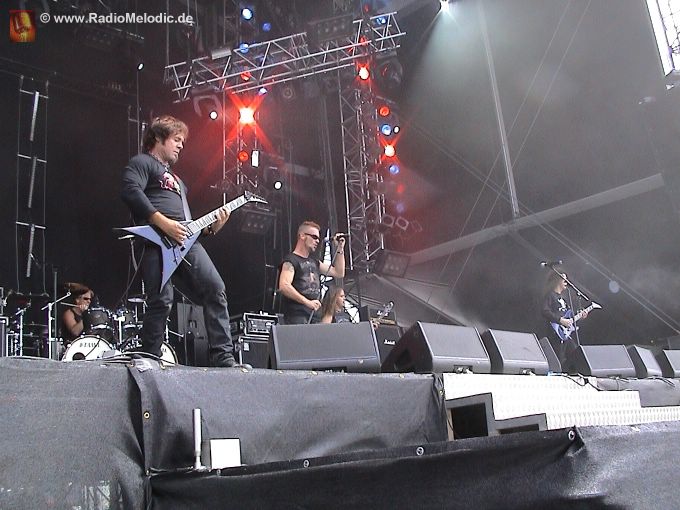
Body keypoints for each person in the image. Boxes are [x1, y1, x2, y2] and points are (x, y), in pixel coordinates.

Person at [121, 115, 239, 367]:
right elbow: (130, 191)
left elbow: (186, 224)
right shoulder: (142, 162)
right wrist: (163, 223)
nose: (181, 145)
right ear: (157, 138)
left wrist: (212, 228)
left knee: (215, 287)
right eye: (176, 139)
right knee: (162, 299)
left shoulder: (178, 182)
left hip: (185, 242)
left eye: (182, 141)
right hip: (156, 240)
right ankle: (150, 357)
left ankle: (223, 356)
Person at [278, 221, 346, 324]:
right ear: (302, 236)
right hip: (298, 315)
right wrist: (307, 302)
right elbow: (284, 286)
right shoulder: (291, 260)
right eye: (314, 237)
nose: (317, 241)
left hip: (315, 315)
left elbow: (339, 272)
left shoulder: (315, 262)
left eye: (318, 238)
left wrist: (340, 248)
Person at [541, 269, 587, 372]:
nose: (566, 282)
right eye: (564, 280)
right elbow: (545, 311)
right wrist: (560, 320)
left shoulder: (564, 299)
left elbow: (569, 318)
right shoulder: (550, 295)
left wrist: (580, 317)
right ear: (557, 280)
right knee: (559, 358)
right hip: (555, 333)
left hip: (565, 333)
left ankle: (571, 373)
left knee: (576, 354)